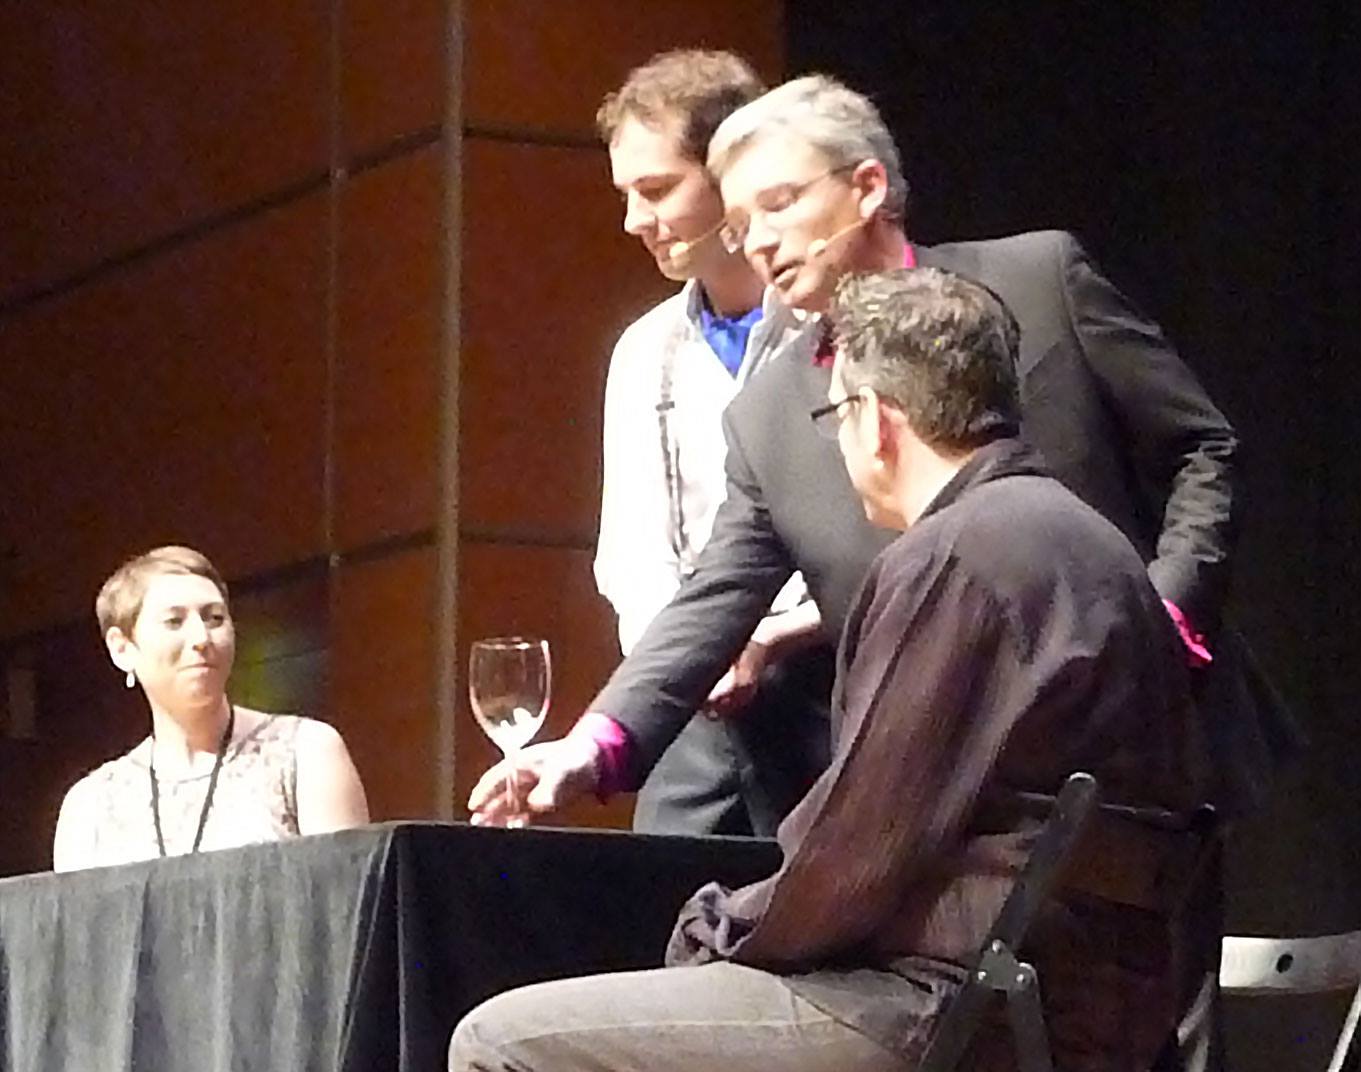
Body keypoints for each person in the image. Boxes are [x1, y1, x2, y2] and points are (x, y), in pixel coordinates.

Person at [473, 72, 1296, 829]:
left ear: (866, 187)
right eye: (739, 225)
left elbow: (1203, 448)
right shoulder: (768, 411)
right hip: (947, 780)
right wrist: (594, 744)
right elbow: (715, 597)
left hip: (1138, 742)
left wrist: (1162, 616)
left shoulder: (1037, 280)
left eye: (779, 205)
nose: (758, 242)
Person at [451, 268, 1214, 1072]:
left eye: (835, 414)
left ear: (874, 418)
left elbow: (864, 843)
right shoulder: (1095, 547)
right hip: (1088, 1014)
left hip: (950, 1008)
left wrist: (724, 924)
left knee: (499, 1041)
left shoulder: (953, 557)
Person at [592, 50, 824, 835]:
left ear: (730, 174)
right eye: (626, 195)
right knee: (660, 898)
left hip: (831, 687)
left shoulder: (832, 322)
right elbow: (630, 555)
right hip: (694, 703)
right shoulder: (644, 348)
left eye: (656, 190)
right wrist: (694, 658)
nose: (634, 220)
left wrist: (772, 636)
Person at [52, 545, 369, 871]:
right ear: (122, 649)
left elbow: (348, 892)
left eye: (215, 618)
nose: (201, 637)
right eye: (174, 621)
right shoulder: (90, 805)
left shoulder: (305, 752)